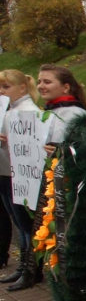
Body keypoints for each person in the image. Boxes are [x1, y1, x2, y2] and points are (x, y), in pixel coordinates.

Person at [16, 64, 86, 301]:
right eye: (39, 81)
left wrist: (61, 151)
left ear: (66, 86)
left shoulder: (75, 114)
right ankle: (62, 292)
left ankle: (74, 295)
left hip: (72, 188)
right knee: (55, 240)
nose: (41, 86)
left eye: (47, 81)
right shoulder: (49, 112)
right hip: (54, 186)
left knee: (69, 242)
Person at [0, 70, 42, 278]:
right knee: (19, 223)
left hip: (18, 175)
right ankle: (25, 266)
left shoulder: (28, 112)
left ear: (22, 88)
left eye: (6, 87)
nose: (1, 92)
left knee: (26, 224)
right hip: (7, 172)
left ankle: (30, 268)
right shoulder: (10, 110)